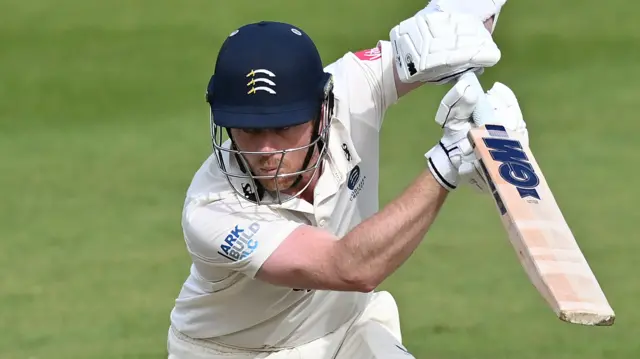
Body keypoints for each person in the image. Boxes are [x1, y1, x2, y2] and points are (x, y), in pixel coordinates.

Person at [167, 1, 528, 358]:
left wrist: (465, 34)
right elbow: (350, 268)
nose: (265, 150)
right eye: (247, 130)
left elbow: (440, 32)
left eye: (283, 127)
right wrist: (448, 163)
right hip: (234, 353)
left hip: (347, 332)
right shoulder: (211, 210)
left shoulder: (350, 89)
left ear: (323, 109)